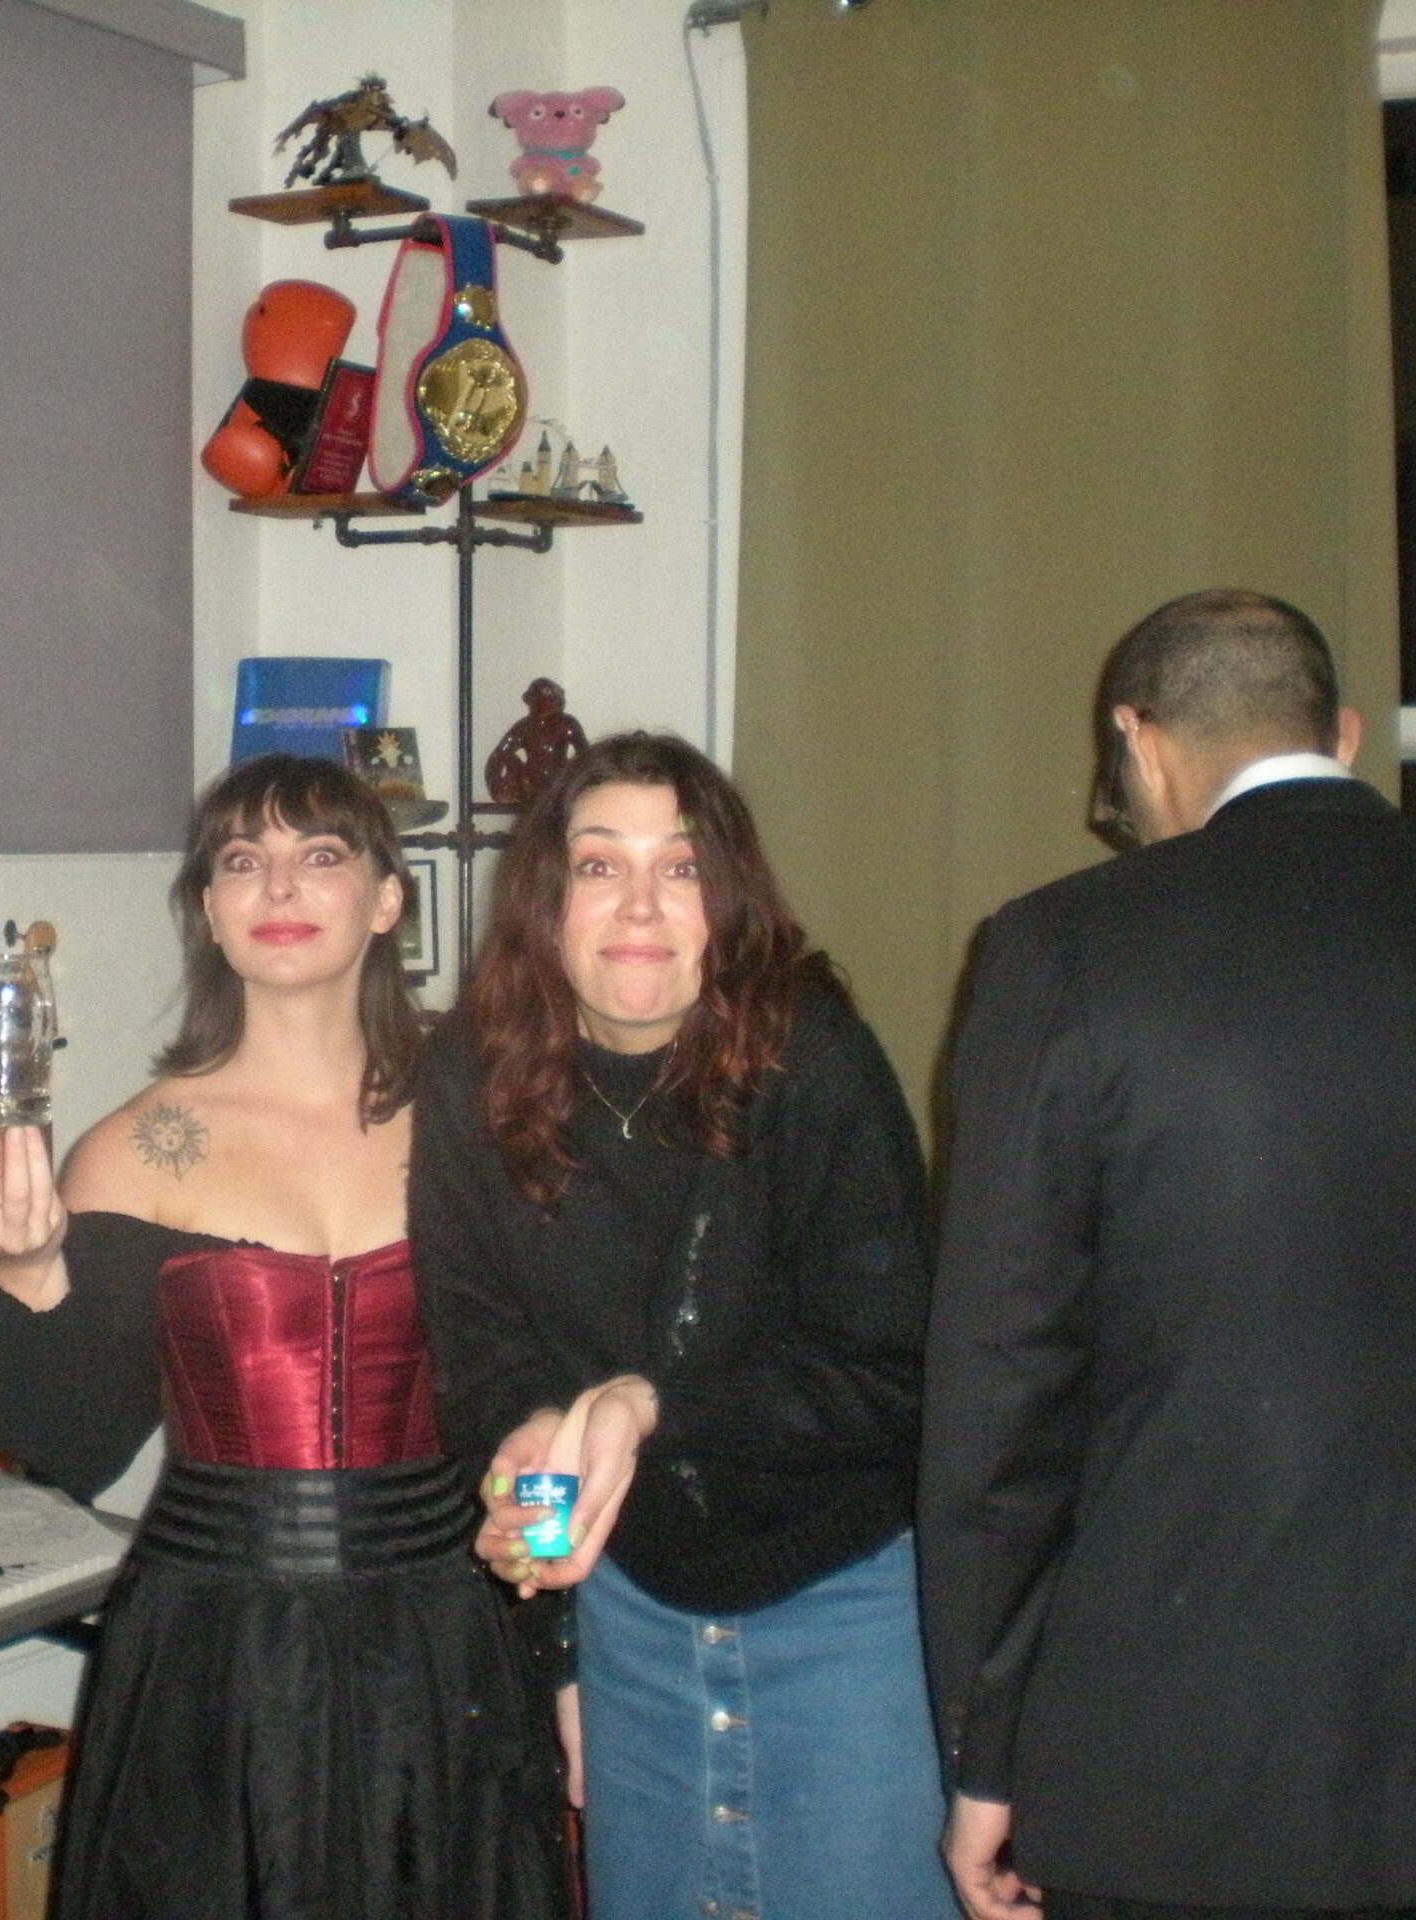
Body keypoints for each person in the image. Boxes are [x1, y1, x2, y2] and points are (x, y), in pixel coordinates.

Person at [920, 589, 1416, 1920]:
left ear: (1138, 742)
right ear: (1346, 734)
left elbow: (1000, 1396)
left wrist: (986, 1750)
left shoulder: (1063, 952)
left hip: (1173, 1773)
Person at [0, 755, 571, 1920]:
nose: (278, 885)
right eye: (242, 861)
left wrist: (563, 1629)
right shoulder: (134, 1148)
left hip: (448, 1633)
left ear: (386, 898)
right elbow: (59, 1445)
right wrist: (23, 1274)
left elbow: (559, 1387)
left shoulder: (485, 1116)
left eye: (319, 854)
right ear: (211, 912)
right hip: (215, 1651)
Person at [412, 730, 955, 1920]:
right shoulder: (469, 1076)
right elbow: (482, 1360)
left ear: (728, 899)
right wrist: (537, 1489)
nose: (640, 906)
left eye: (680, 867)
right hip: (631, 1607)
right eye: (600, 865)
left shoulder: (810, 1059)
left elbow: (894, 1368)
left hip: (839, 1600)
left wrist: (650, 1405)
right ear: (548, 899)